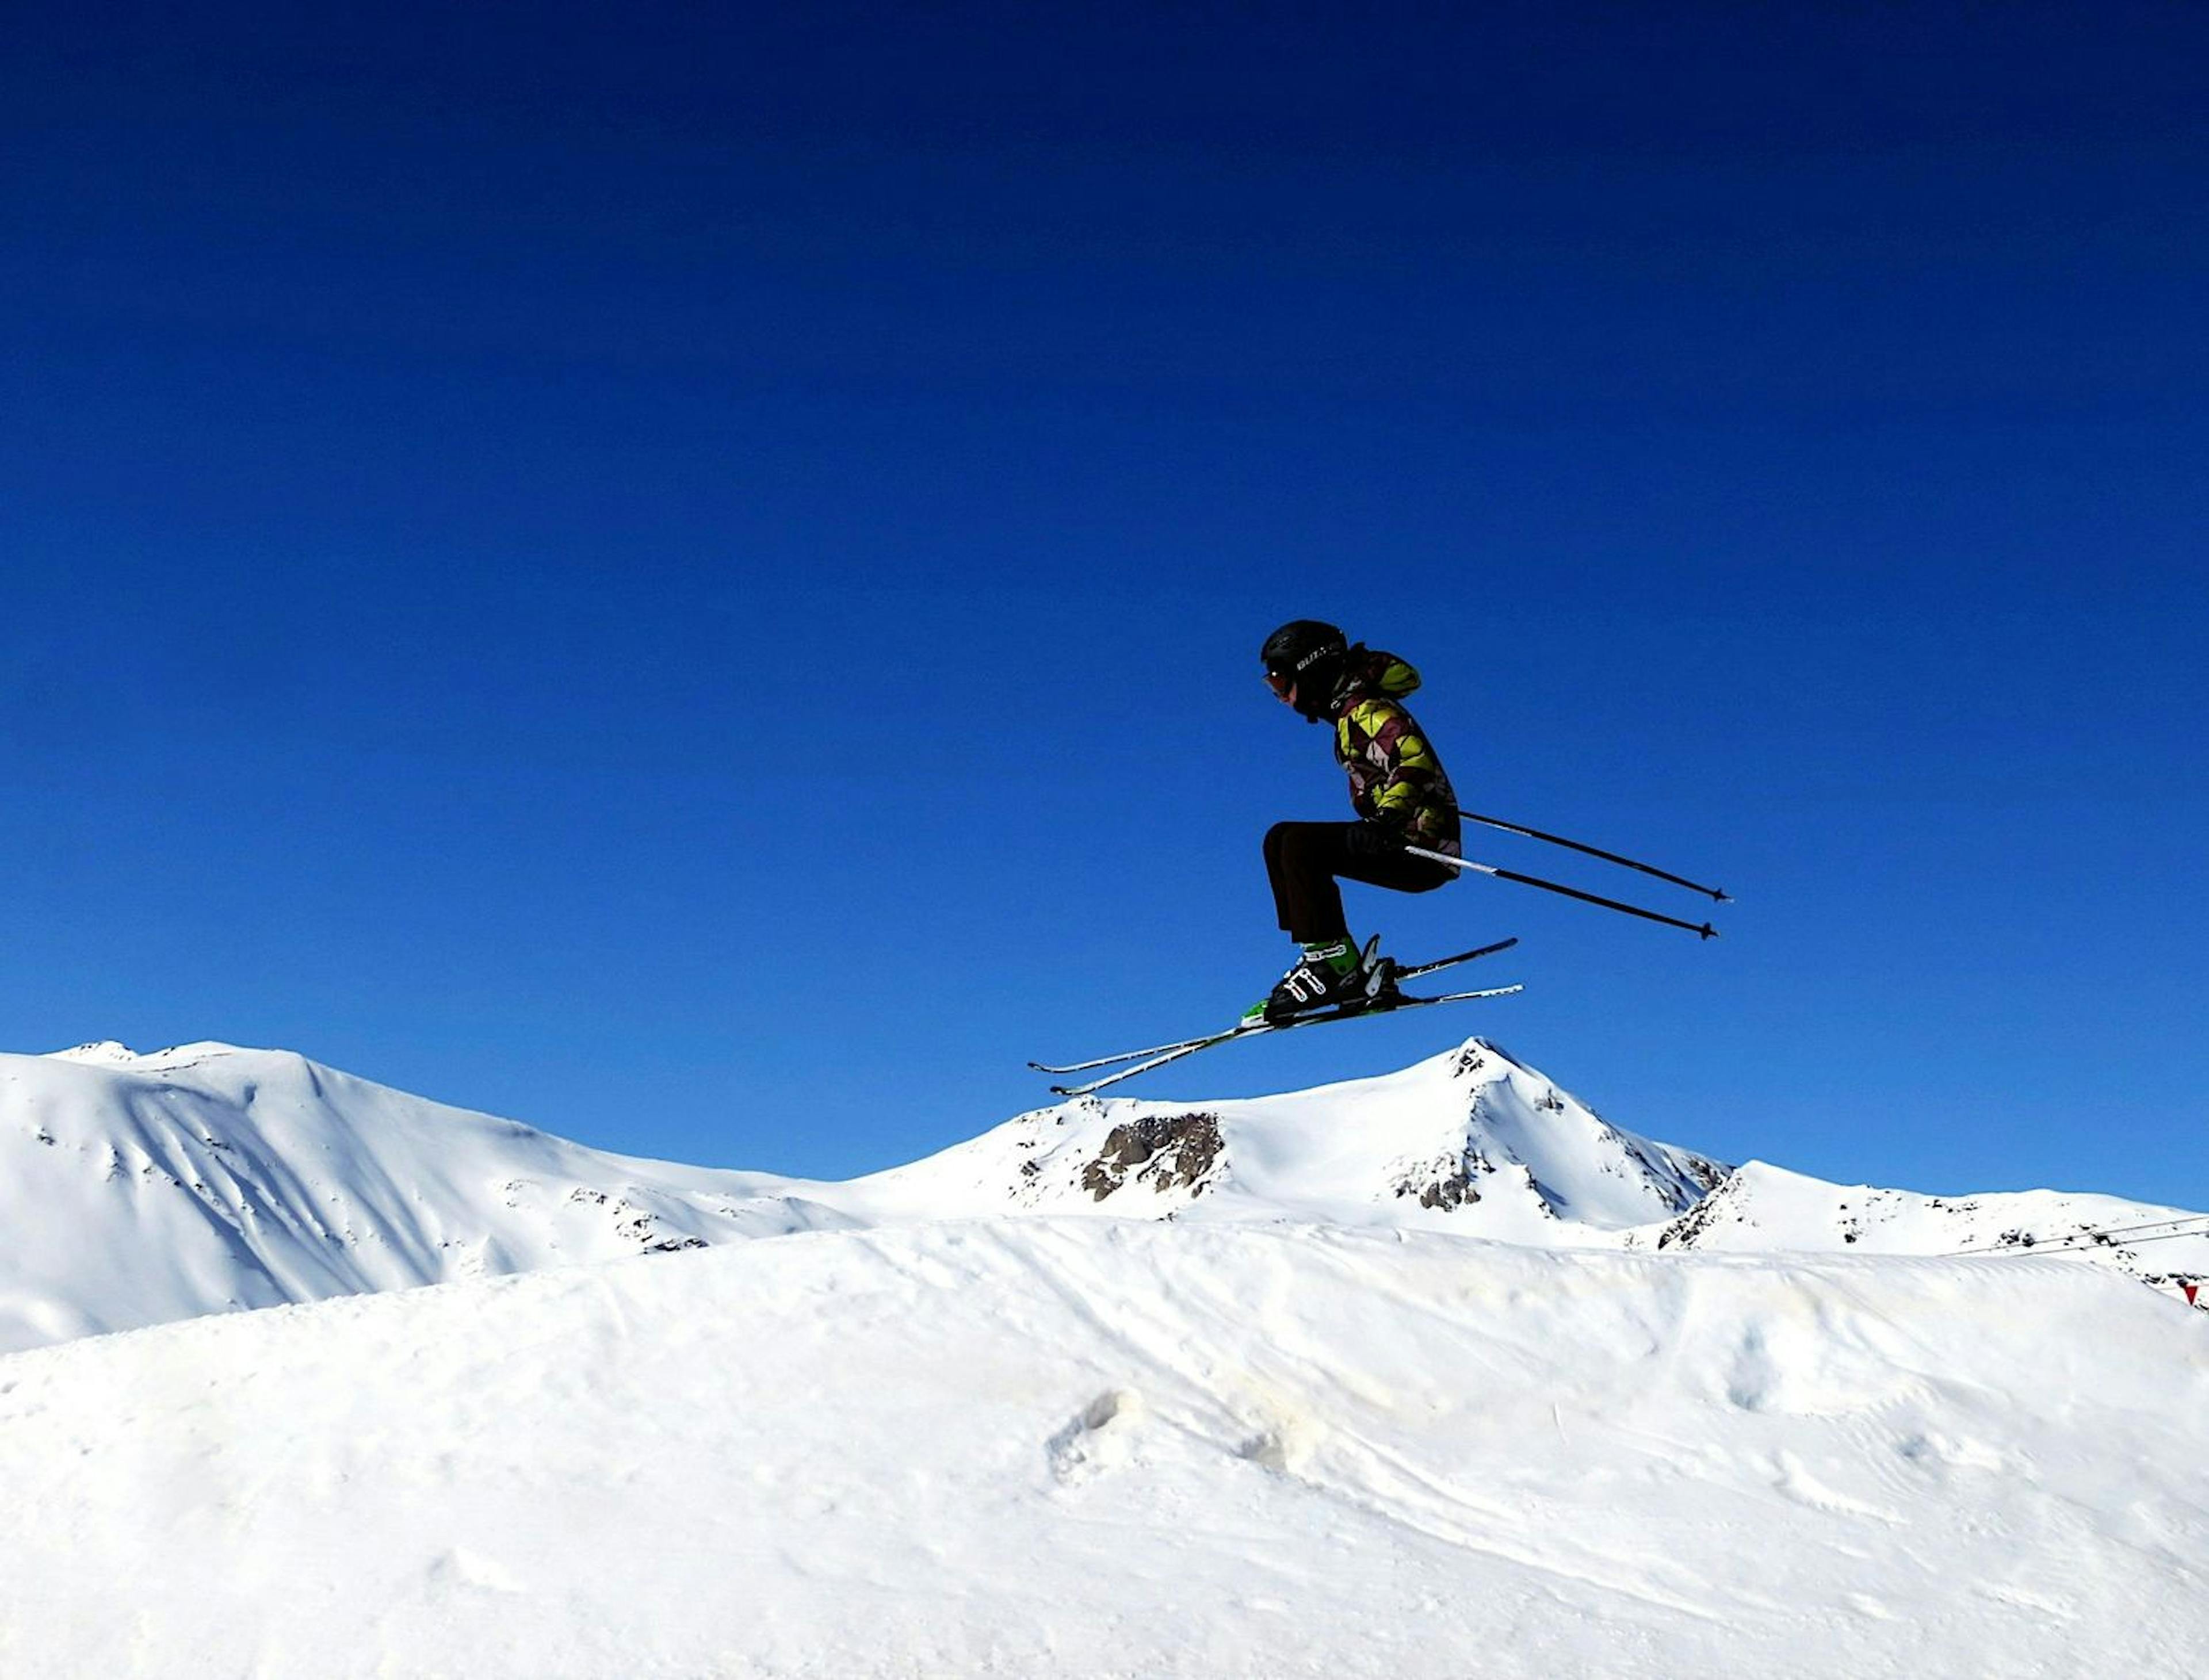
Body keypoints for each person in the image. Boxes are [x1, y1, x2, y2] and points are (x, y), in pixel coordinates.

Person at [1247, 619, 1461, 1026]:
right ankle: (1321, 955)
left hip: (1420, 847)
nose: (1283, 699)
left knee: (1299, 845)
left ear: (1311, 672)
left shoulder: (1368, 710)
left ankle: (1333, 964)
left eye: (1282, 683)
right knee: (1280, 839)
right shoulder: (1349, 715)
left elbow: (1415, 762)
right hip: (1400, 837)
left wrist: (1386, 819)